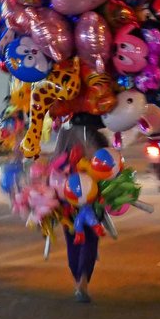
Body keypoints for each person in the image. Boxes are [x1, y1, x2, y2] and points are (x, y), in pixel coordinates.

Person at [54, 112, 108, 303]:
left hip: (68, 194)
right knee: (89, 238)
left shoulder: (63, 133)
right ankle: (82, 281)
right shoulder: (97, 138)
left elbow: (56, 163)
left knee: (73, 238)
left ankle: (79, 280)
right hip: (92, 195)